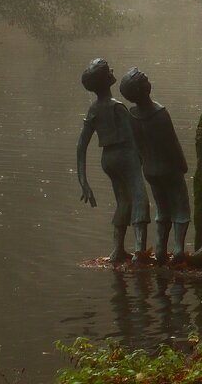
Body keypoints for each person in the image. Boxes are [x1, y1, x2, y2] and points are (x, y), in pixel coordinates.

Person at [77, 58, 149, 262]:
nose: (112, 71)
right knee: (140, 199)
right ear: (106, 79)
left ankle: (117, 251)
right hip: (126, 155)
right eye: (109, 70)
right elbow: (133, 137)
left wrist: (83, 181)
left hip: (108, 159)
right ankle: (139, 252)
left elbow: (81, 146)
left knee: (123, 201)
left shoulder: (93, 109)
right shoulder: (118, 107)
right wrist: (143, 159)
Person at [119, 67, 191, 263]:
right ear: (144, 89)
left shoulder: (131, 115)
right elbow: (172, 144)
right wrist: (182, 165)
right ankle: (178, 250)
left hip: (150, 170)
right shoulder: (160, 113)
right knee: (180, 207)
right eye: (146, 80)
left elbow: (137, 146)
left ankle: (160, 249)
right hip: (169, 168)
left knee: (162, 209)